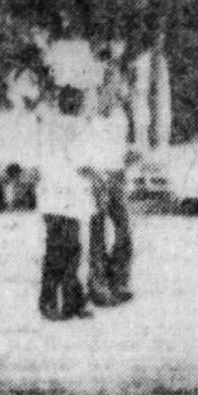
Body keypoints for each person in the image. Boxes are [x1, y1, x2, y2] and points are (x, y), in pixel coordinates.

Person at [36, 86, 96, 321]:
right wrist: (98, 178)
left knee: (58, 251)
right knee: (68, 252)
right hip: (67, 201)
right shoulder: (75, 127)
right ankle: (58, 303)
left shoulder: (51, 126)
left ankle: (64, 302)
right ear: (76, 104)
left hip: (52, 199)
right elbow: (82, 162)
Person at [85, 106, 134, 306]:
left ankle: (118, 281)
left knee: (124, 229)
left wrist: (127, 158)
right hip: (97, 176)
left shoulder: (120, 113)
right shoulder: (89, 113)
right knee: (98, 232)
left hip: (117, 174)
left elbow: (120, 144)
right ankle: (98, 285)